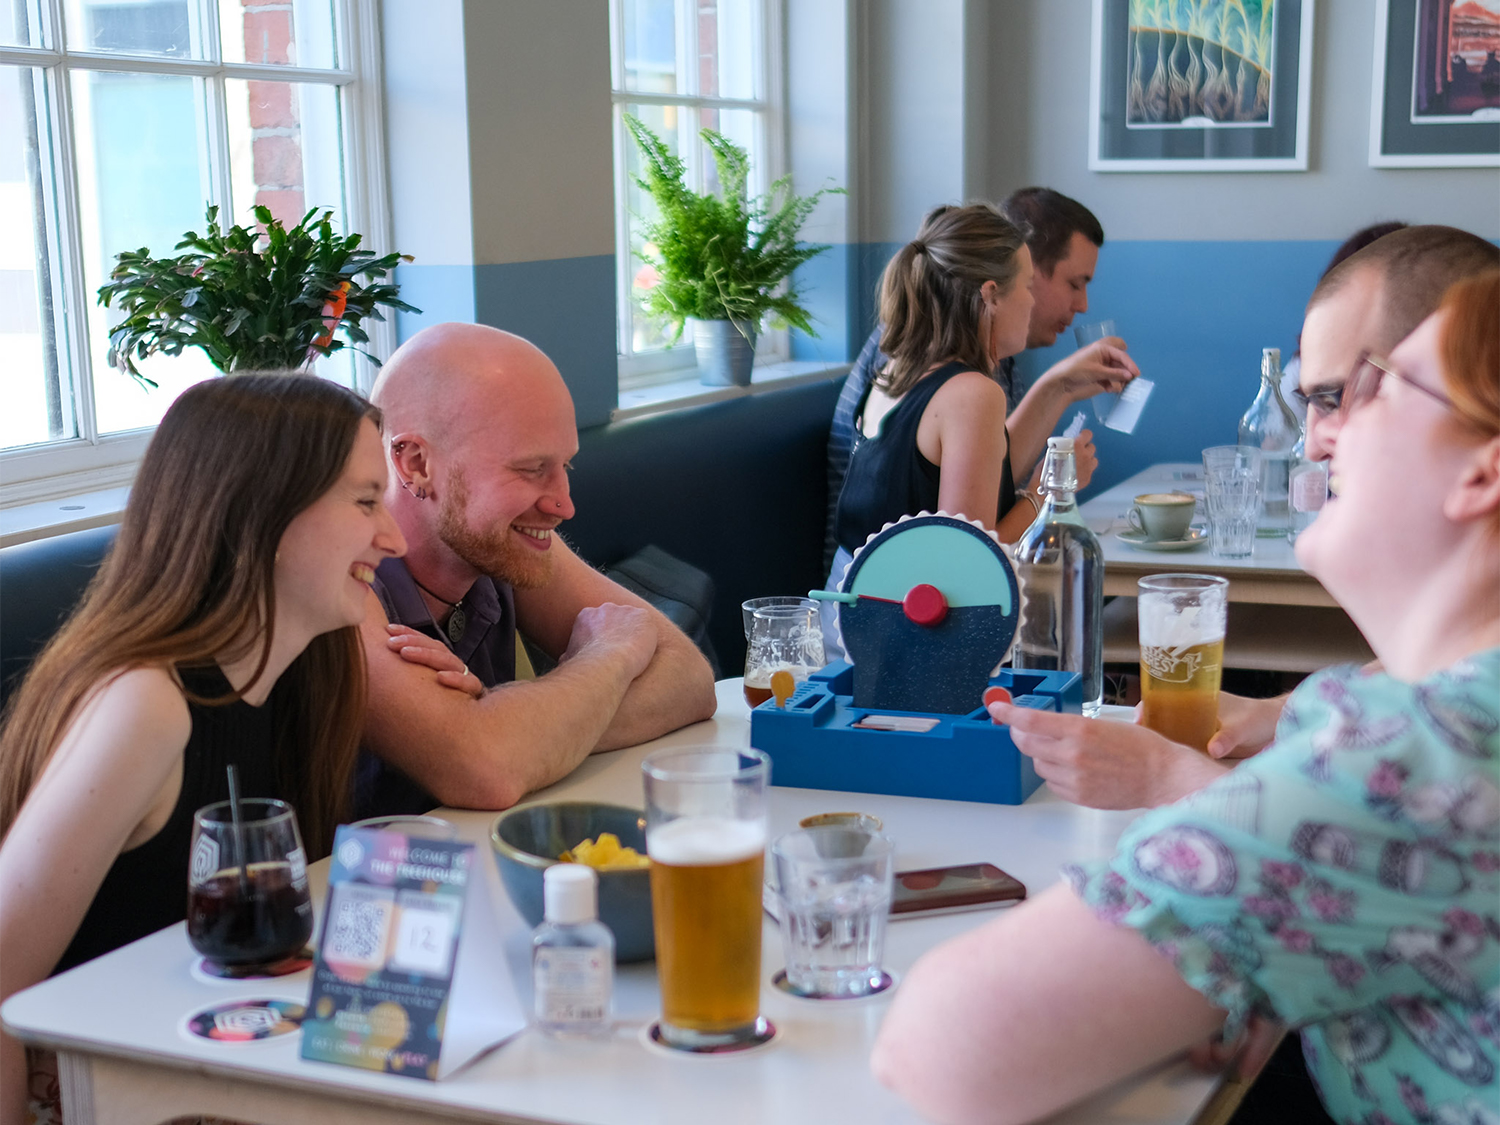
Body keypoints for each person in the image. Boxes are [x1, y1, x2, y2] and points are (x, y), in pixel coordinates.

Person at [872, 271, 1500, 1125]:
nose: (1319, 436)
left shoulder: (1409, 753)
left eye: (1374, 390)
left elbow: (937, 1046)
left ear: (1481, 473)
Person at [0, 374, 406, 1124]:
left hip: (219, 1072)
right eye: (365, 501)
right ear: (261, 511)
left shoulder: (312, 668)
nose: (396, 536)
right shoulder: (146, 706)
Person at [990, 224, 1500, 810]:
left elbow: (1341, 818)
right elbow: (1423, 675)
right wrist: (1279, 713)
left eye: (1347, 397)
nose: (1313, 445)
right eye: (1315, 403)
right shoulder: (1452, 671)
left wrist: (1173, 778)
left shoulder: (1424, 748)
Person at [357, 323, 718, 816]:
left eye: (565, 466)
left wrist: (509, 717)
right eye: (530, 469)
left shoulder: (502, 542)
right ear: (416, 463)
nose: (564, 505)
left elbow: (689, 677)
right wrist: (609, 655)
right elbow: (484, 766)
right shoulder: (344, 576)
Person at [824, 187, 1138, 571]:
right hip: (901, 620)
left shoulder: (901, 367)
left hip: (851, 601)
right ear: (990, 296)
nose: (1031, 301)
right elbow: (969, 560)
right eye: (1025, 286)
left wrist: (1061, 385)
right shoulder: (972, 393)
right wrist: (1048, 491)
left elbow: (979, 470)